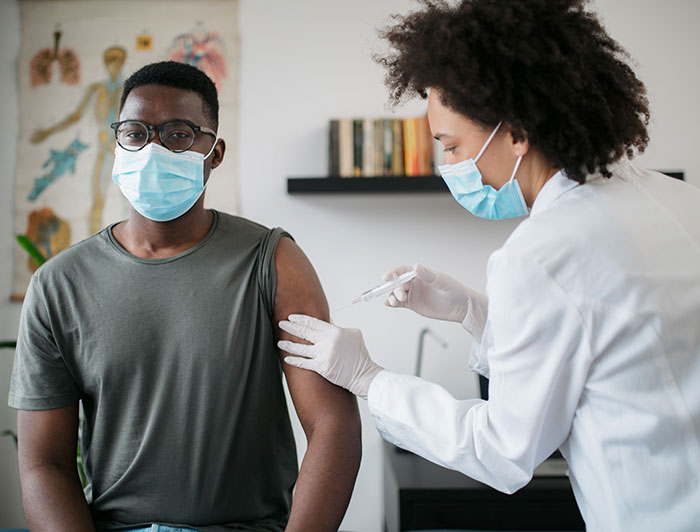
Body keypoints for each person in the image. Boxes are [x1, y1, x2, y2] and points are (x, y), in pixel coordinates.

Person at [276, 1, 700, 531]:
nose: (447, 167)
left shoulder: (542, 253)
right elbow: (602, 345)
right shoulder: (677, 200)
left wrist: (370, 379)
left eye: (452, 146)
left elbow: (503, 450)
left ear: (518, 132)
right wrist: (473, 312)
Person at [9, 61, 361, 532]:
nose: (152, 148)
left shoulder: (273, 262)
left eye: (178, 134)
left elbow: (333, 426)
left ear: (214, 154)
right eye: (135, 132)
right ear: (118, 144)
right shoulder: (58, 284)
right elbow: (43, 464)